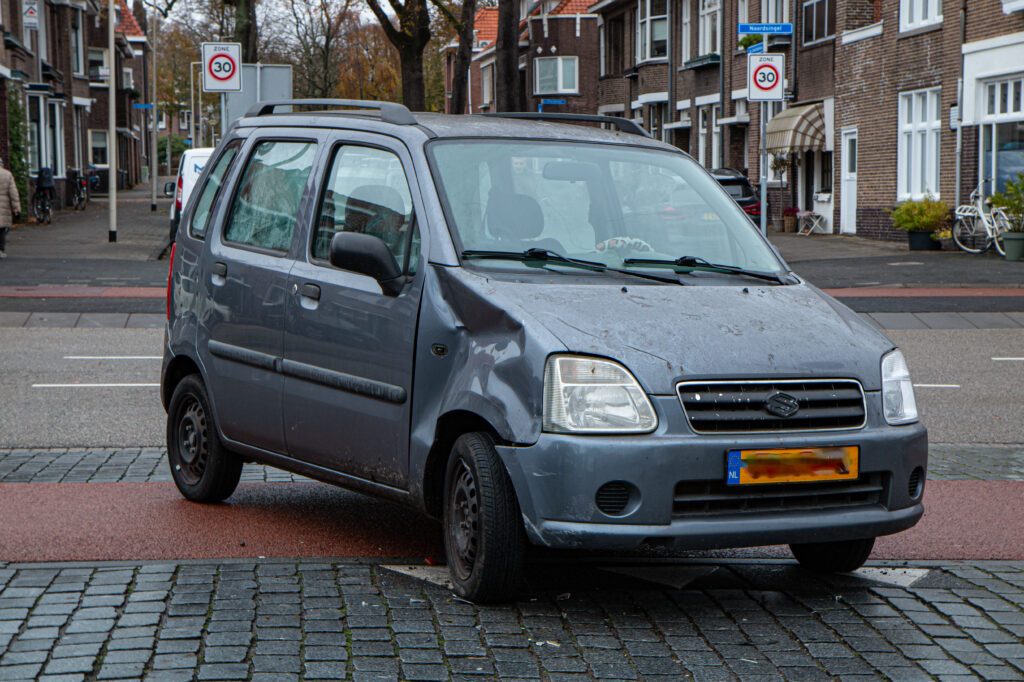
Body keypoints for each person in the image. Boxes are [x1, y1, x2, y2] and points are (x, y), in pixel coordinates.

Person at [0, 159, 20, 259]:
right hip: (4, 206)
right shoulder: (7, 175)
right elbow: (13, 193)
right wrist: (16, 207)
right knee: (2, 229)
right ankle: (1, 250)